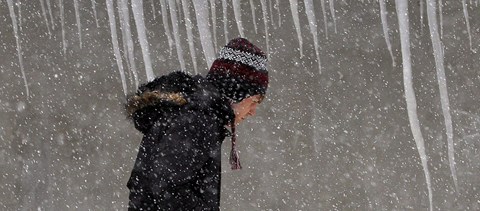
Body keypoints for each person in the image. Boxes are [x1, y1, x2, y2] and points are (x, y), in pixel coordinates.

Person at [125, 38, 269, 210]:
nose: (252, 111)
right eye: (253, 101)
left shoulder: (197, 114)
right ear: (236, 92)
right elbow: (165, 185)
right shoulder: (198, 120)